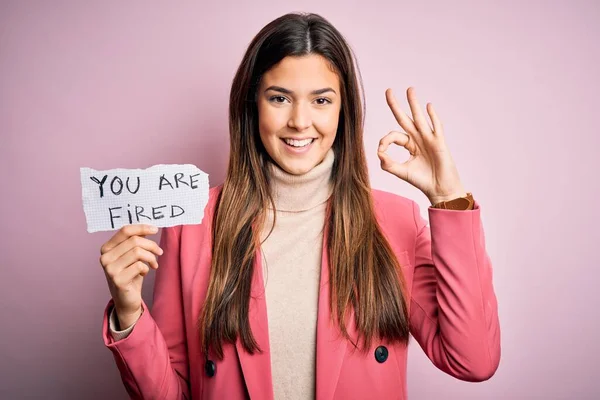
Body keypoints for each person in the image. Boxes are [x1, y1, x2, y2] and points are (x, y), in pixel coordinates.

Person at [99, 12, 500, 400]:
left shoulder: (396, 222)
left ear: (344, 111)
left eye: (321, 100)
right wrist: (129, 312)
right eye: (279, 98)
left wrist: (449, 197)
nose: (300, 121)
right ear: (252, 104)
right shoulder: (193, 225)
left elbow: (473, 360)